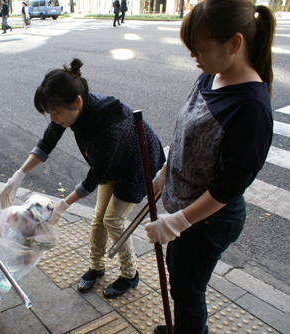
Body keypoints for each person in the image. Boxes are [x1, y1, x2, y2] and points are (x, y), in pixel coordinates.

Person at [143, 1, 275, 333]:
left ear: (234, 44)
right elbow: (187, 130)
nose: (193, 57)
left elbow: (231, 185)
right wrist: (164, 172)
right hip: (186, 207)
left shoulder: (251, 107)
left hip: (210, 219)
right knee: (178, 275)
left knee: (188, 291)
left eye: (200, 48)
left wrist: (178, 221)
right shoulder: (211, 75)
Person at [0, 58, 166, 298]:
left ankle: (130, 274)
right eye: (50, 114)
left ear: (77, 102)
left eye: (55, 114)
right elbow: (47, 143)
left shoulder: (109, 124)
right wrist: (19, 174)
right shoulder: (70, 107)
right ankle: (96, 267)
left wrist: (64, 204)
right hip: (110, 164)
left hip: (136, 166)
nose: (54, 119)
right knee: (98, 218)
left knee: (113, 220)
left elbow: (95, 176)